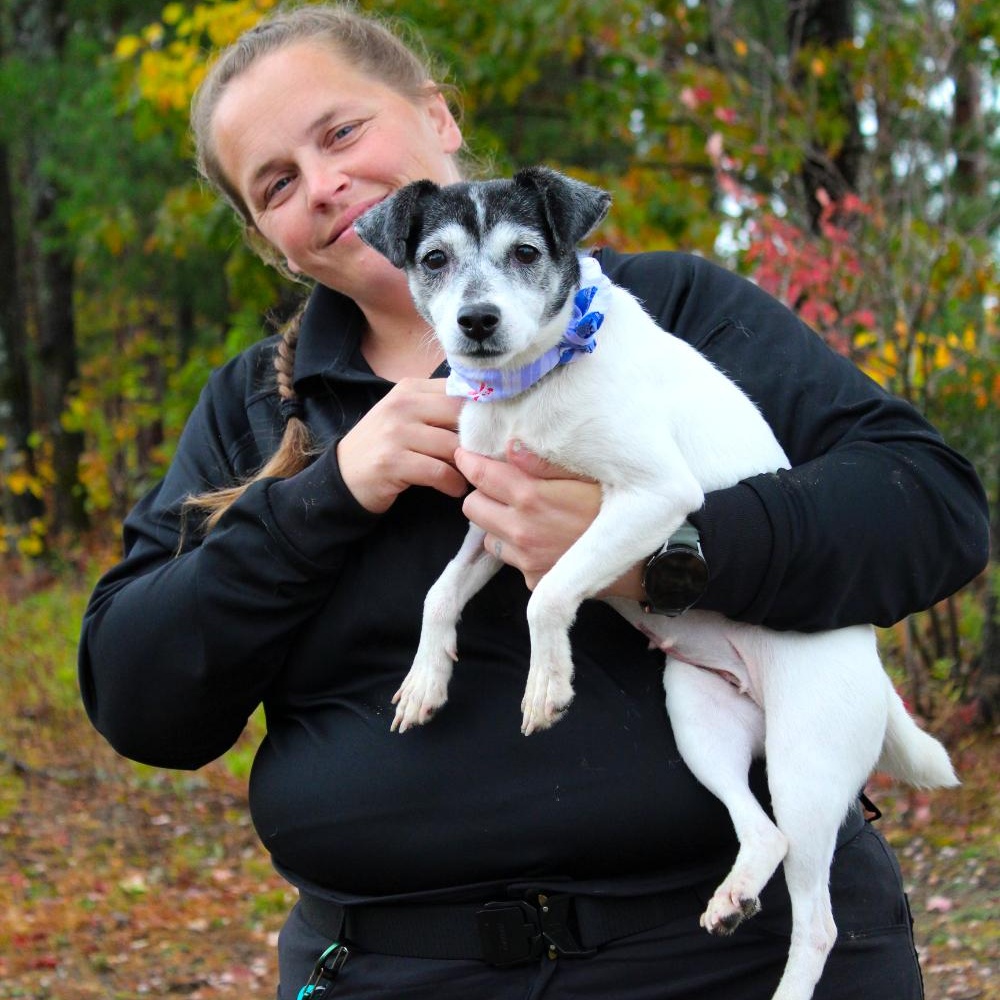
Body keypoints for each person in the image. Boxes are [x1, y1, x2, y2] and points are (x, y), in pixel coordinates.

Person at [78, 5, 989, 998]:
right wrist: (326, 495)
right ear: (270, 240)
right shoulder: (256, 406)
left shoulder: (663, 313)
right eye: (277, 184)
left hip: (723, 955)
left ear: (437, 113)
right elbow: (140, 700)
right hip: (395, 968)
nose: (324, 183)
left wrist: (666, 556)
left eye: (340, 132)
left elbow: (928, 504)